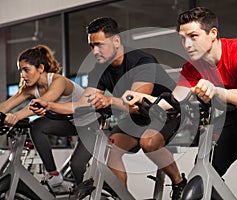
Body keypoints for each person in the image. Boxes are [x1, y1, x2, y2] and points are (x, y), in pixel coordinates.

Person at [122, 6, 237, 200]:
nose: (186, 44)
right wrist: (143, 100)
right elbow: (174, 101)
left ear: (212, 33)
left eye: (193, 36)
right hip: (235, 115)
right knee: (204, 169)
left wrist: (215, 90)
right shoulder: (192, 68)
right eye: (182, 38)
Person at [30, 17, 187, 199]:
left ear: (116, 41)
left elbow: (138, 103)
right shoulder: (99, 70)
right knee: (112, 148)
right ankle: (122, 197)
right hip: (137, 118)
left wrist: (109, 101)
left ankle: (178, 182)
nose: (95, 51)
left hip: (165, 113)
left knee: (148, 142)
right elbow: (81, 104)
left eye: (99, 45)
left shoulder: (142, 61)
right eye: (91, 46)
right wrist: (49, 105)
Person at [0, 45, 88, 188]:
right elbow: (4, 107)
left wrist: (14, 117)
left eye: (26, 70)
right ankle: (53, 174)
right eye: (21, 70)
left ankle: (84, 195)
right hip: (69, 123)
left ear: (40, 68)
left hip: (90, 124)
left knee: (77, 165)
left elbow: (44, 102)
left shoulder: (59, 81)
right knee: (37, 126)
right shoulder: (29, 88)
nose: (23, 75)